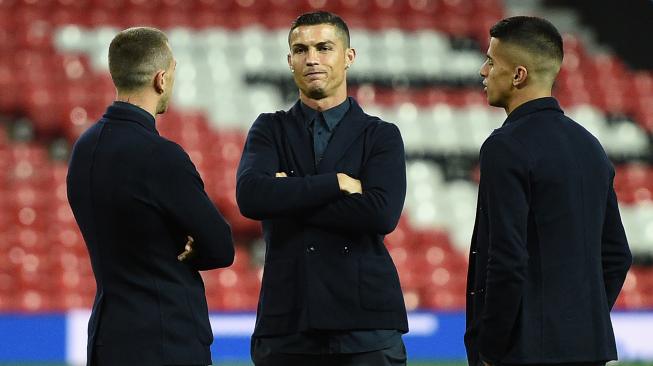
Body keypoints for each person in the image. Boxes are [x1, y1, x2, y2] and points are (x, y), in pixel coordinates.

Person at [236, 11, 408, 366]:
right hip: (288, 323)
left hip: (367, 325)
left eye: (324, 47)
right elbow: (252, 197)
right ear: (289, 61)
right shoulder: (269, 129)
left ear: (349, 57)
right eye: (300, 50)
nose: (311, 58)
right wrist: (337, 184)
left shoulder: (381, 134)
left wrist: (287, 195)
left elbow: (380, 213)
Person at [465, 16, 632, 366]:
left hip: (525, 351)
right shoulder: (591, 146)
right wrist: (576, 321)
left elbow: (507, 260)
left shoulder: (504, 147)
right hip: (588, 347)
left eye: (491, 61)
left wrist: (492, 347)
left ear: (518, 75)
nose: (483, 70)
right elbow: (617, 255)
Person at [66, 27, 234, 366]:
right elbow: (221, 247)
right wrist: (184, 250)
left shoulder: (83, 149)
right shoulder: (161, 156)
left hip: (107, 339)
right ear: (161, 78)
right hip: (165, 340)